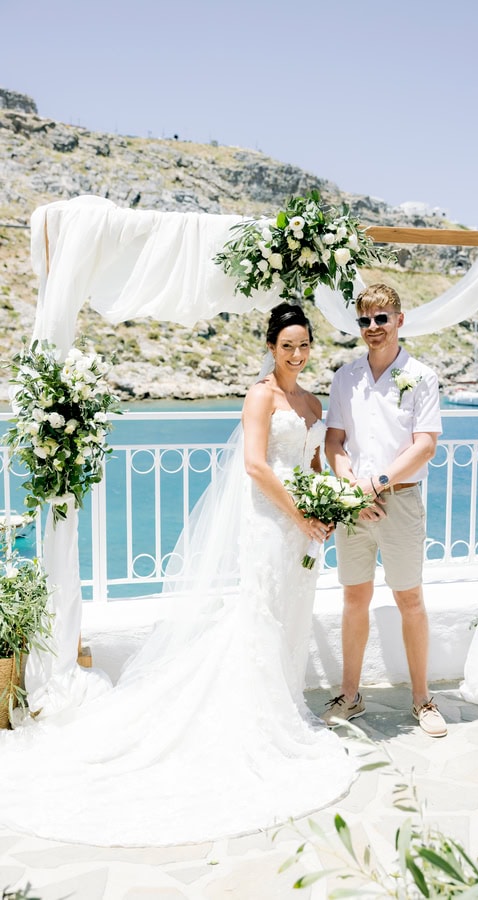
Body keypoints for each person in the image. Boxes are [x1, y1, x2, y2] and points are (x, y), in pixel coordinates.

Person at [0, 303, 355, 846]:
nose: (297, 354)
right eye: (287, 345)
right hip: (270, 522)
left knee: (292, 613)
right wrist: (298, 514)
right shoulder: (260, 396)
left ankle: (284, 704)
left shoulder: (311, 401)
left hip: (303, 528)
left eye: (304, 344)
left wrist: (322, 506)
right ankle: (255, 718)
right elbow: (256, 466)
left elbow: (311, 464)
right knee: (261, 612)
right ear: (271, 346)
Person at [322, 283, 447, 738]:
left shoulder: (422, 376)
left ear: (399, 320)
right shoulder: (345, 378)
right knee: (354, 599)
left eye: (381, 318)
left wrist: (375, 484)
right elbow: (334, 442)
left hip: (400, 502)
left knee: (409, 600)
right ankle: (350, 695)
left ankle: (422, 699)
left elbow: (425, 446)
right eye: (365, 320)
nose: (373, 327)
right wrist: (353, 491)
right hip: (353, 505)